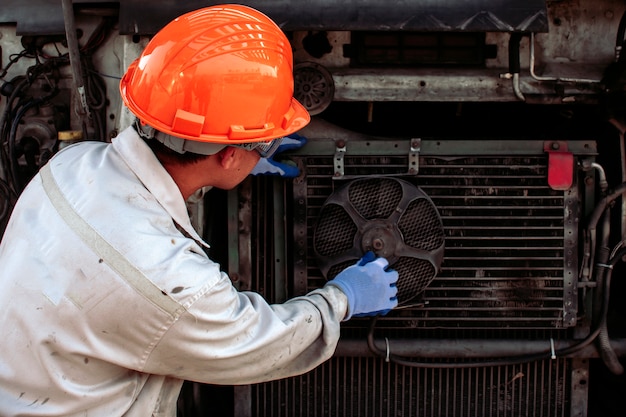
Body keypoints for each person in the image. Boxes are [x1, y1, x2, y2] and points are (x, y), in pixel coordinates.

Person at [0, 4, 398, 416]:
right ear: (227, 156)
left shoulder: (73, 163)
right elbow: (255, 344)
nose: (270, 148)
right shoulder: (172, 284)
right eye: (268, 141)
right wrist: (342, 299)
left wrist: (237, 163)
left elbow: (138, 218)